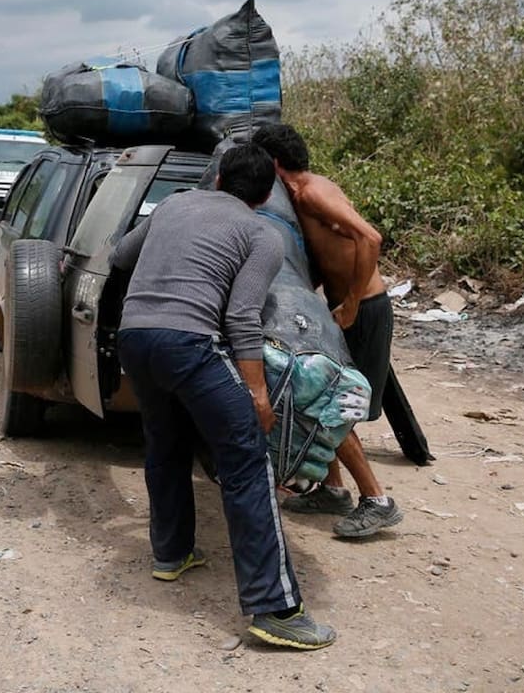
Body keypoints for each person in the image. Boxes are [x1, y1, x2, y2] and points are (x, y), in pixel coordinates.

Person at [113, 143, 337, 651]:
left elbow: (119, 255)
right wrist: (257, 393)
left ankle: (171, 554)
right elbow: (240, 318)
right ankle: (274, 608)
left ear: (217, 181)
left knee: (165, 445)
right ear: (264, 196)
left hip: (134, 338)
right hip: (187, 343)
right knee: (246, 462)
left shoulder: (173, 205)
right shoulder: (261, 234)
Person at [252, 123, 403, 538]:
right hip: (338, 307)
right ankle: (333, 490)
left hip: (365, 307)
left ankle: (377, 500)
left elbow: (370, 238)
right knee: (316, 389)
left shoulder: (311, 192)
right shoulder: (295, 201)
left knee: (333, 403)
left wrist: (352, 302)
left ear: (275, 165)